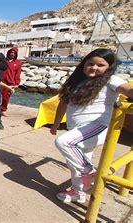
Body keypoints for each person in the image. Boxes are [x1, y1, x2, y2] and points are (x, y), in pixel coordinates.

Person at [50, 48, 133, 203]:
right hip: (77, 129)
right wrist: (55, 125)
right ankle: (78, 192)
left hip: (97, 126)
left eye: (100, 65)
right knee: (75, 161)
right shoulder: (76, 81)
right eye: (90, 63)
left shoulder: (110, 80)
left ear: (108, 67)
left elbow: (128, 89)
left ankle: (90, 173)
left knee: (64, 143)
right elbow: (63, 103)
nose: (94, 68)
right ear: (84, 64)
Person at [0, 47, 21, 116]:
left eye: (14, 53)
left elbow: (18, 74)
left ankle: (3, 110)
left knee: (6, 98)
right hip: (1, 82)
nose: (12, 54)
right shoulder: (3, 60)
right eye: (11, 52)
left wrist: (16, 83)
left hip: (10, 83)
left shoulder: (17, 63)